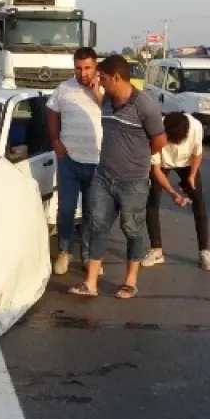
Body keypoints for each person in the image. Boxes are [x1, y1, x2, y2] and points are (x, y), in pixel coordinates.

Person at [69, 55, 166, 298]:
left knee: (132, 229)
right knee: (97, 227)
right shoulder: (107, 102)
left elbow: (159, 140)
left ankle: (130, 281)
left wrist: (137, 157)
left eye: (102, 78)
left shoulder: (144, 106)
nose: (100, 82)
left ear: (117, 77)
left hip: (133, 181)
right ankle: (90, 283)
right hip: (104, 177)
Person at [46, 47, 103, 275]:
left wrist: (97, 93)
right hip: (69, 159)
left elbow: (114, 112)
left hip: (97, 161)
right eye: (79, 68)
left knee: (92, 212)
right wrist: (55, 140)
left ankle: (90, 257)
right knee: (66, 209)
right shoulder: (63, 89)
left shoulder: (104, 89)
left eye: (88, 68)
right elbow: (51, 113)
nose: (83, 73)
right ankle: (65, 251)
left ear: (95, 67)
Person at [144, 112, 210, 271]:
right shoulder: (155, 130)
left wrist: (191, 175)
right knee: (152, 201)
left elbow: (197, 153)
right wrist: (173, 193)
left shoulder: (195, 126)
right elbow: (155, 169)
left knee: (199, 202)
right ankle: (156, 250)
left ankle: (204, 252)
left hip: (187, 163)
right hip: (162, 164)